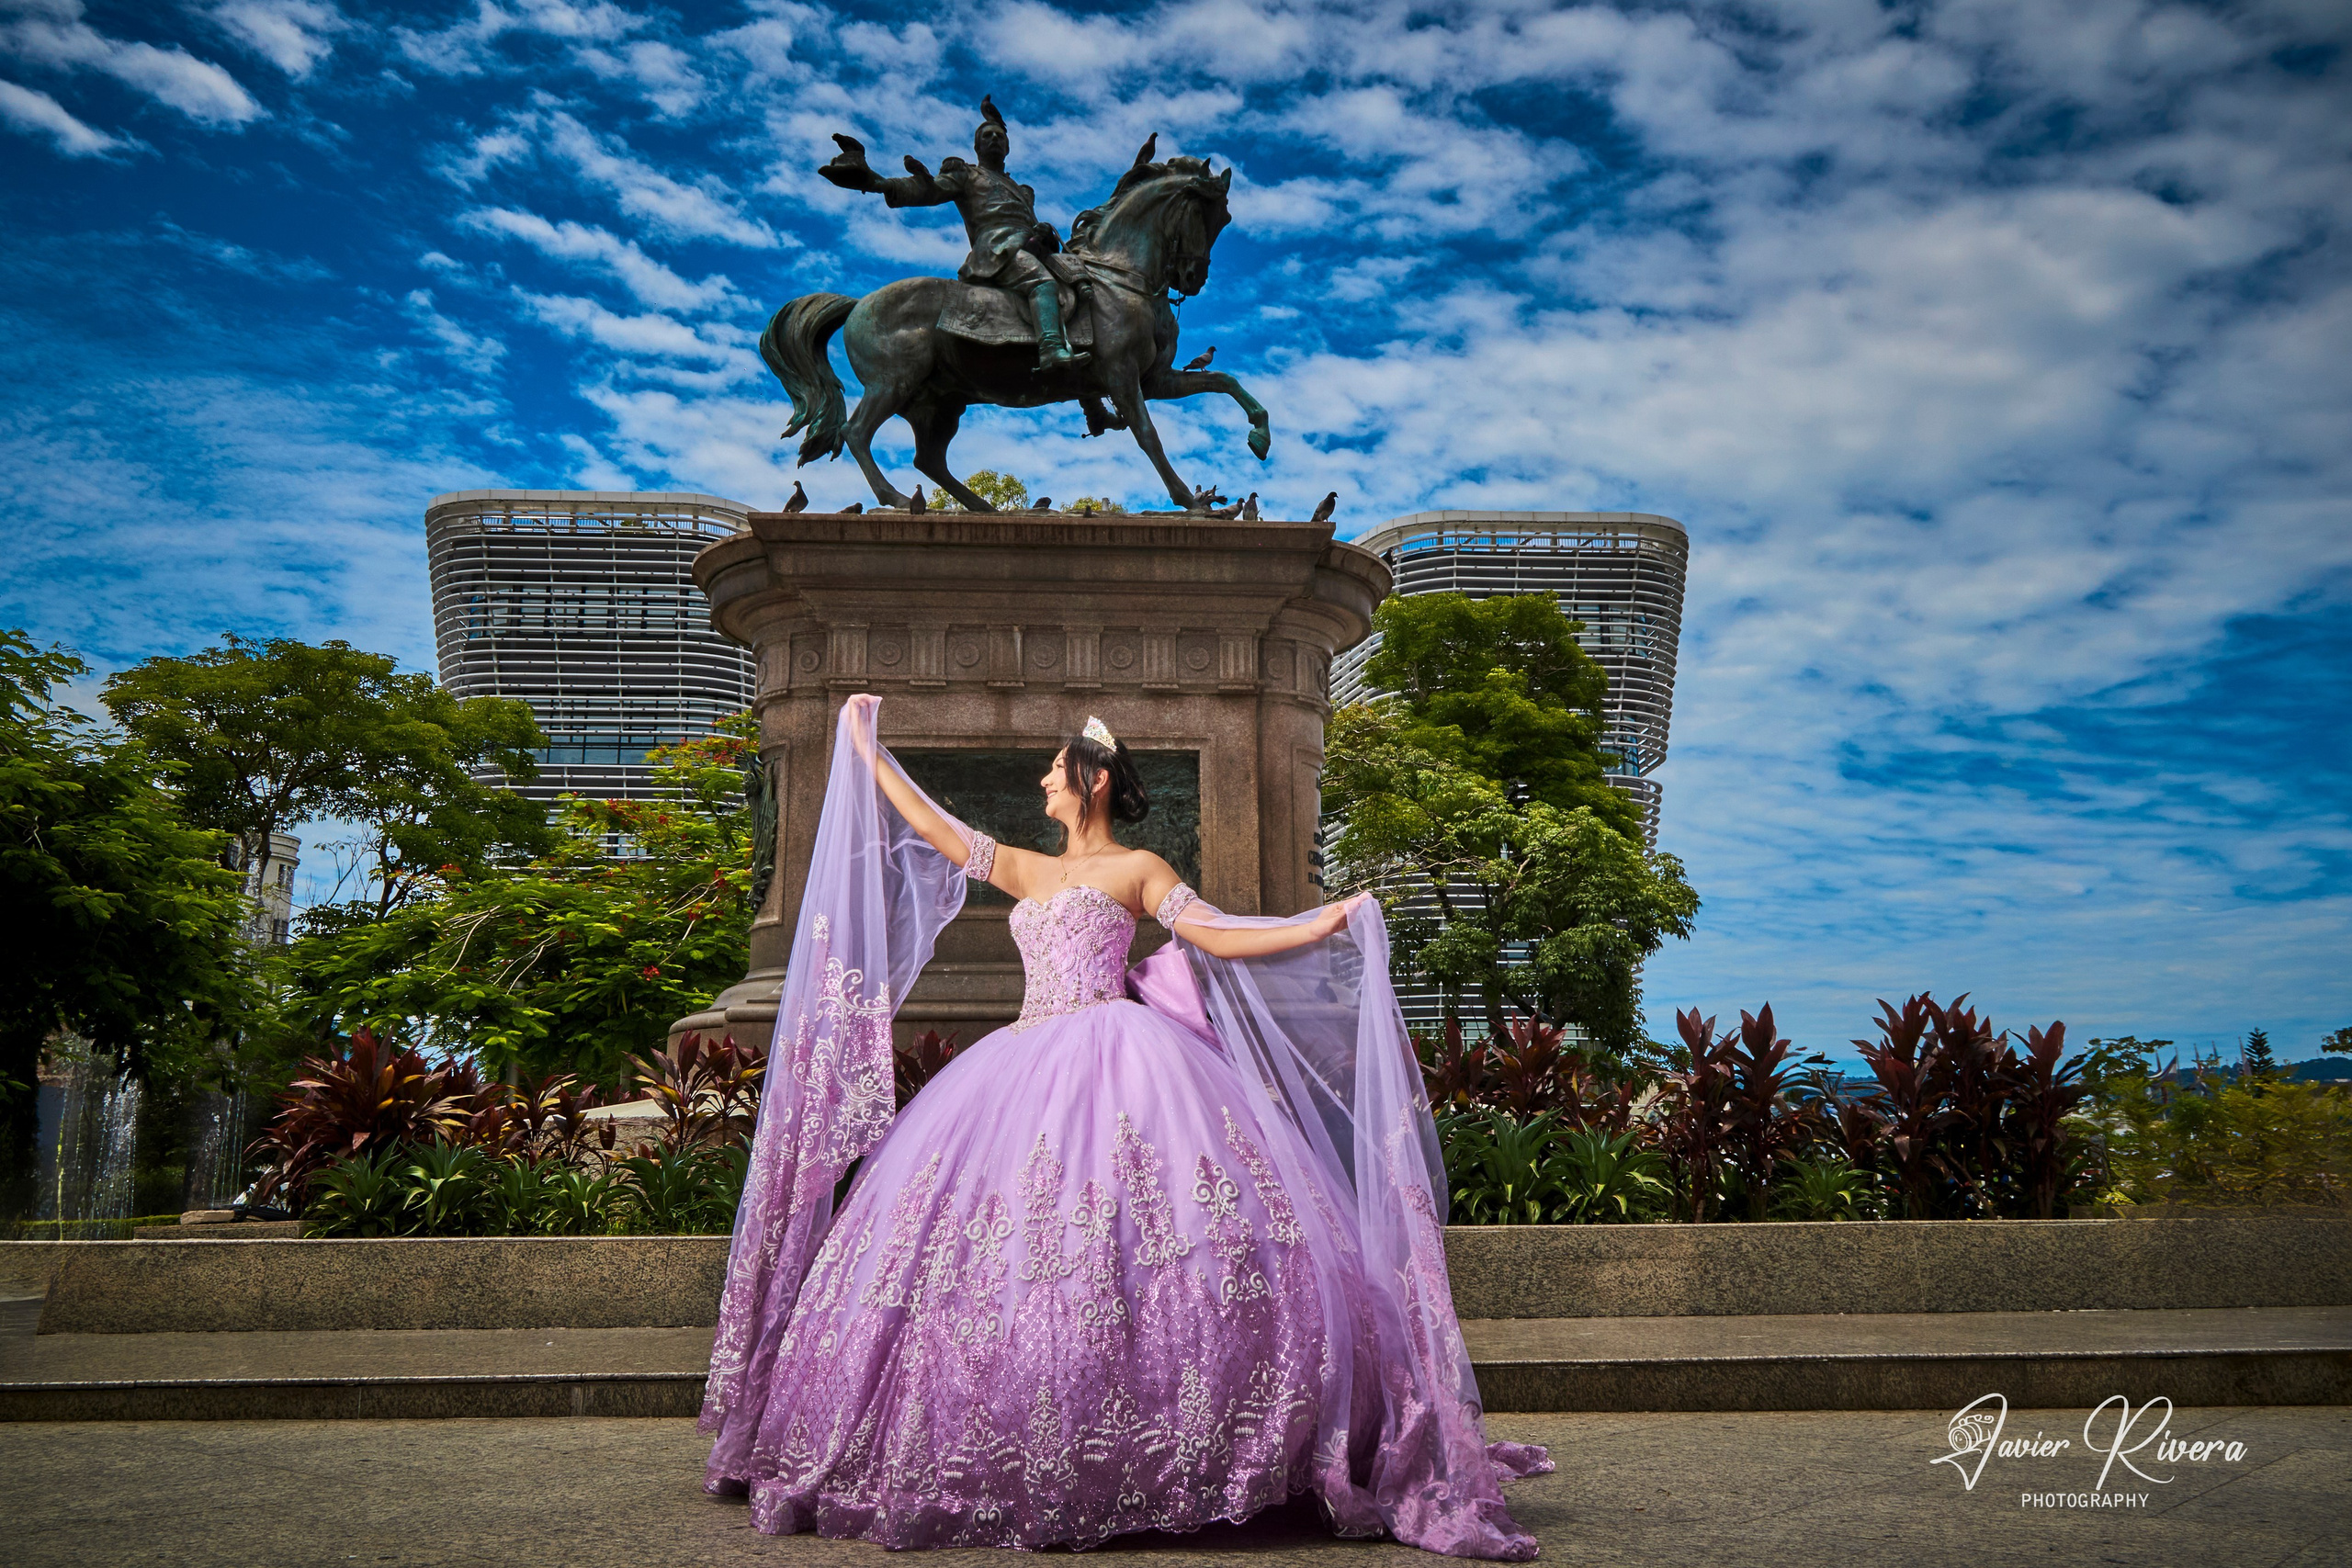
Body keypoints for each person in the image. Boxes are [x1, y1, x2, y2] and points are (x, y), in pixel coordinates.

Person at [700, 696, 1550, 1557]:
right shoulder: (1029, 870)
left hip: (1124, 1059)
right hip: (1024, 1066)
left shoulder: (1140, 867)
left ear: (1093, 779)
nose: (1042, 780)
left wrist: (1322, 919)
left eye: (1054, 769)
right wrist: (864, 749)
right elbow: (939, 826)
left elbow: (1214, 935)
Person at [820, 96, 1093, 372]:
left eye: (999, 136)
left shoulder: (1023, 191)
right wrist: (876, 182)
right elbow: (929, 190)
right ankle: (1049, 350)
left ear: (1008, 147)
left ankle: (1093, 405)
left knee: (1087, 294)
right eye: (987, 136)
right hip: (997, 250)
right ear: (976, 146)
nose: (994, 139)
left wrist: (1042, 231)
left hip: (1031, 247)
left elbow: (1030, 224)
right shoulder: (967, 175)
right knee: (1042, 284)